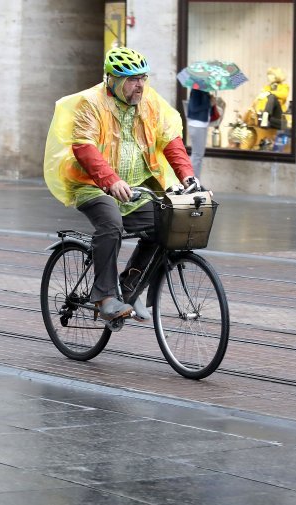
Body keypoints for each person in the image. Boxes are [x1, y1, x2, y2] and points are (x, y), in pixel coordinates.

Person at [44, 47, 199, 322]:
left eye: (142, 77)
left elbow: (171, 141)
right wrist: (110, 180)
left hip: (137, 186)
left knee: (167, 225)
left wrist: (187, 174)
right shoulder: (91, 104)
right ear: (112, 79)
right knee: (111, 223)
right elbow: (84, 147)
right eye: (131, 79)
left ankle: (129, 287)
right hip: (91, 184)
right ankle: (105, 297)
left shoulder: (149, 103)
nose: (139, 85)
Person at [186, 88, 223, 175]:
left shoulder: (204, 90)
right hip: (197, 125)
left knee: (198, 155)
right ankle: (192, 182)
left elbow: (205, 110)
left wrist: (211, 101)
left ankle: (195, 181)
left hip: (201, 125)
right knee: (197, 155)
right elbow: (193, 108)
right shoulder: (196, 90)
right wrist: (209, 103)